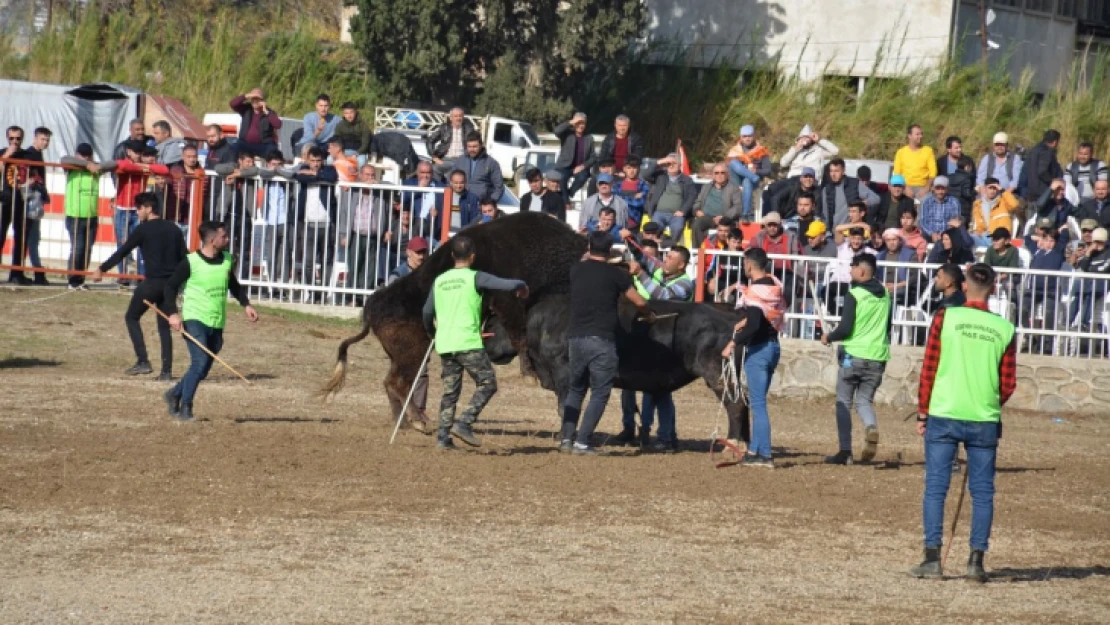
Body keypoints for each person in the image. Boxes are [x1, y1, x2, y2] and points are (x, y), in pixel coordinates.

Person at [911, 263, 1017, 583]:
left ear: (965, 287)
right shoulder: (1004, 328)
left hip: (944, 413)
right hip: (983, 418)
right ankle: (976, 562)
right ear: (994, 291)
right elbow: (1008, 383)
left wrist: (922, 412)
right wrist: (988, 403)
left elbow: (929, 367)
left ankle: (932, 560)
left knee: (936, 489)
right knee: (983, 493)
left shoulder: (946, 317)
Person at [422, 236, 528, 449]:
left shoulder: (440, 281)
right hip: (467, 341)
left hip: (445, 342)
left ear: (452, 256)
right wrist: (521, 284)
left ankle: (443, 437)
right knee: (488, 383)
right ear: (472, 256)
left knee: (450, 391)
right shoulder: (475, 277)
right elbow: (504, 284)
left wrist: (432, 332)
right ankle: (465, 422)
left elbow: (427, 311)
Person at [561, 231, 654, 455]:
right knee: (600, 392)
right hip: (602, 339)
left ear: (589, 247)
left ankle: (566, 439)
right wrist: (647, 313)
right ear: (611, 250)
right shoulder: (616, 275)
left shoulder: (576, 270)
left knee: (575, 389)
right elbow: (639, 300)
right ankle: (583, 442)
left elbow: (585, 261)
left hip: (575, 337)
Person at [162, 221, 260, 421]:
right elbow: (170, 287)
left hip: (216, 321)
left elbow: (233, 284)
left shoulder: (226, 259)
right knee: (199, 363)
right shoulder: (191, 262)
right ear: (212, 240)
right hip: (194, 318)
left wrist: (246, 304)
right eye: (224, 236)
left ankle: (174, 394)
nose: (227, 239)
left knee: (202, 369)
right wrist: (173, 314)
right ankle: (186, 408)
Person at [92, 192, 187, 379]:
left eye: (139, 208)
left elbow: (123, 252)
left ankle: (143, 361)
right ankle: (166, 371)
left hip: (152, 283)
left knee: (132, 317)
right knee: (164, 326)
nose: (137, 212)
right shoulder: (174, 228)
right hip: (170, 285)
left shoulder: (143, 230)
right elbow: (185, 256)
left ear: (149, 209)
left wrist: (102, 268)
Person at [621, 246, 694, 453]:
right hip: (655, 339)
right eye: (665, 256)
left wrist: (641, 273)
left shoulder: (685, 284)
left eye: (670, 258)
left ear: (681, 265)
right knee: (654, 389)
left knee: (661, 391)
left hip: (671, 343)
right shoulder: (663, 274)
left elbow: (662, 295)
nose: (664, 260)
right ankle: (660, 434)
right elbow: (648, 272)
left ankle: (665, 436)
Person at [821, 253, 891, 465]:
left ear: (862, 271)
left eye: (852, 268)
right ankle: (870, 427)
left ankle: (845, 451)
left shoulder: (855, 294)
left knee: (844, 401)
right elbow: (888, 326)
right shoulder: (886, 293)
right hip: (878, 356)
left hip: (854, 355)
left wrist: (829, 336)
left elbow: (845, 328)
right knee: (864, 401)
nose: (850, 271)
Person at [720, 247, 784, 468]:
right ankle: (755, 450)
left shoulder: (755, 291)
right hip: (773, 346)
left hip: (759, 350)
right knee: (757, 402)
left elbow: (756, 322)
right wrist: (745, 322)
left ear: (748, 264)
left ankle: (764, 454)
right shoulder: (773, 285)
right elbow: (766, 317)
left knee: (757, 404)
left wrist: (732, 343)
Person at [60, 143, 118, 289]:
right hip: (75, 216)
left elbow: (113, 163)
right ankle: (73, 280)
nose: (86, 158)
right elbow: (64, 159)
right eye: (82, 155)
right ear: (77, 155)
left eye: (88, 155)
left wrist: (95, 166)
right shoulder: (71, 168)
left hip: (91, 215)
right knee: (78, 248)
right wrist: (87, 164)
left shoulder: (95, 169)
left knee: (87, 249)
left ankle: (80, 280)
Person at [646, 154, 697, 246]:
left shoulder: (687, 180)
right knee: (654, 230)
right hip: (659, 213)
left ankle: (671, 247)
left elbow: (692, 196)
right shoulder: (660, 177)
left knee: (678, 228)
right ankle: (656, 250)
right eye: (669, 163)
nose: (671, 165)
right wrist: (660, 162)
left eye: (674, 163)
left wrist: (683, 211)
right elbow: (645, 174)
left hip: (676, 215)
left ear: (680, 165)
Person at [691, 162, 743, 245]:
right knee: (697, 224)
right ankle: (698, 252)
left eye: (722, 173)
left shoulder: (734, 188)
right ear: (713, 175)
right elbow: (698, 202)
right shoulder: (706, 187)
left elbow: (738, 207)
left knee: (727, 228)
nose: (719, 175)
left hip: (725, 218)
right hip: (707, 217)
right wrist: (697, 210)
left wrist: (724, 216)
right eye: (717, 173)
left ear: (727, 175)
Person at [726, 124, 772, 218]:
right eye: (744, 136)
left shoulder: (761, 151)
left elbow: (768, 170)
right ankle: (752, 176)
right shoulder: (735, 150)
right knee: (733, 162)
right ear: (741, 137)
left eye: (749, 136)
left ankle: (745, 213)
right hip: (737, 181)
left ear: (754, 136)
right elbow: (729, 168)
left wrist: (756, 171)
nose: (747, 139)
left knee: (747, 181)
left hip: (752, 182)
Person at [553, 112, 595, 201]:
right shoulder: (567, 134)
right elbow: (556, 131)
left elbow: (593, 157)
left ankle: (567, 195)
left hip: (580, 168)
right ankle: (565, 201)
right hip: (564, 166)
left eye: (583, 123)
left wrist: (583, 166)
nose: (581, 125)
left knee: (582, 178)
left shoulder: (589, 138)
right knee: (562, 178)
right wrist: (571, 122)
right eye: (578, 123)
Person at [230, 88, 282, 158]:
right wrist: (247, 96)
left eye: (258, 99)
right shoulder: (246, 109)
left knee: (273, 153)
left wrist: (266, 112)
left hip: (264, 145)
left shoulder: (269, 112)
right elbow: (233, 104)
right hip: (245, 143)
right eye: (253, 99)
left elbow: (278, 125)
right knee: (232, 148)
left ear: (262, 100)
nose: (255, 101)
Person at [426, 106, 475, 181]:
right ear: (451, 118)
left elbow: (476, 144)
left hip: (462, 160)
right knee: (434, 168)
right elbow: (430, 140)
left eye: (460, 116)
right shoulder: (444, 128)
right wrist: (434, 158)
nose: (458, 118)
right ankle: (438, 190)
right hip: (446, 159)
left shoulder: (469, 129)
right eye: (456, 116)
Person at [454, 132, 504, 202]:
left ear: (480, 145)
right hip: (461, 202)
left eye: (475, 146)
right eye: (469, 146)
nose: (472, 149)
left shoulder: (491, 163)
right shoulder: (460, 161)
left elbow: (499, 187)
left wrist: (490, 203)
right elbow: (450, 180)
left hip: (480, 205)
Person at [970, 177, 1019, 247]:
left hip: (999, 238)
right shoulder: (978, 204)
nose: (992, 191)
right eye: (990, 188)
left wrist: (1002, 190)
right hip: (984, 237)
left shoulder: (1003, 202)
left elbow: (1014, 205)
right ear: (985, 188)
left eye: (995, 188)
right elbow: (979, 225)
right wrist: (977, 232)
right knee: (967, 239)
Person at [892, 124, 937, 199]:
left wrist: (926, 188)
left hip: (923, 187)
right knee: (903, 202)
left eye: (921, 134)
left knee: (924, 202)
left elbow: (933, 172)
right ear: (909, 136)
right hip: (906, 186)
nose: (921, 136)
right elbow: (897, 173)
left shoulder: (928, 151)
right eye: (917, 134)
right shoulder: (901, 152)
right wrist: (905, 188)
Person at [919, 176, 962, 243]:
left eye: (943, 189)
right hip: (930, 235)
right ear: (933, 188)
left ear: (947, 189)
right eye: (938, 188)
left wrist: (943, 235)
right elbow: (923, 222)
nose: (940, 191)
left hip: (948, 235)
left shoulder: (954, 202)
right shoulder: (926, 202)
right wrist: (932, 233)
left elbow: (955, 222)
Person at [1022, 129, 1062, 201]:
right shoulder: (1047, 152)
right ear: (1055, 142)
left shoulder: (1034, 149)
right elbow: (1042, 171)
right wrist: (1052, 181)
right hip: (1042, 191)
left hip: (1030, 190)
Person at [616, 157, 651, 234]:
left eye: (634, 168)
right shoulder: (618, 185)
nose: (631, 171)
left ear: (638, 169)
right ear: (624, 169)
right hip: (617, 221)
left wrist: (622, 198)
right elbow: (614, 200)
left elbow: (640, 203)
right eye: (629, 168)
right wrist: (633, 197)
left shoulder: (643, 185)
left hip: (634, 221)